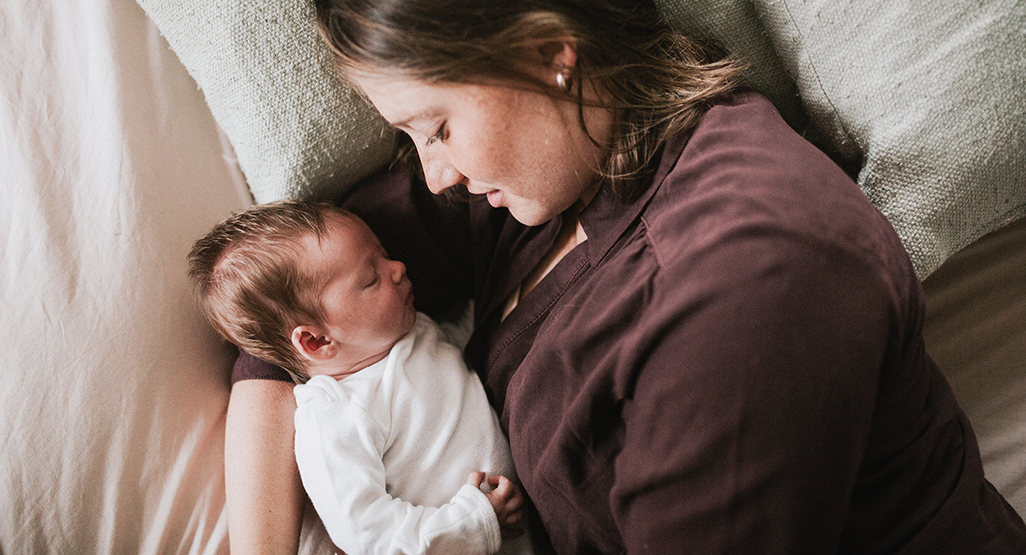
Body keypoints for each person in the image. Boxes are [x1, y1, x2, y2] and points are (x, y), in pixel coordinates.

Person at [223, 0, 1026, 553]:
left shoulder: (748, 280)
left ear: (549, 55)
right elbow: (286, 303)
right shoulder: (552, 171)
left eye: (436, 128)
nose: (433, 174)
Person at [188, 201, 531, 554]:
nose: (397, 268)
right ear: (316, 340)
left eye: (385, 255)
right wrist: (471, 521)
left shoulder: (414, 330)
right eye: (371, 279)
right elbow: (366, 532)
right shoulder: (334, 414)